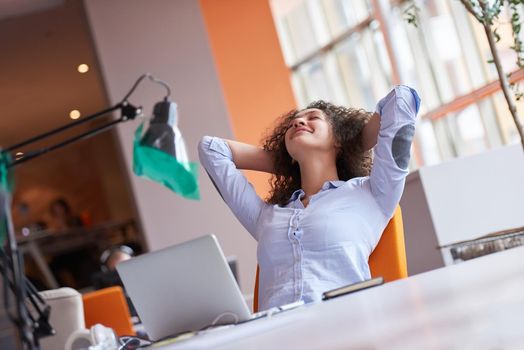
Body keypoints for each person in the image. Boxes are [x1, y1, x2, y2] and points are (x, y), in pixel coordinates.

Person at [198, 85, 420, 311]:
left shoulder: (372, 194)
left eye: (313, 118)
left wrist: (352, 143)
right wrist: (290, 161)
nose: (297, 122)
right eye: (293, 123)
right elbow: (211, 149)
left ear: (338, 139)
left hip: (343, 327)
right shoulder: (266, 216)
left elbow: (402, 101)